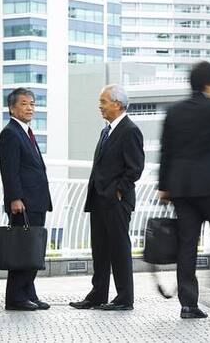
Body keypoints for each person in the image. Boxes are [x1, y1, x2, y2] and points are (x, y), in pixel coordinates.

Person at [157, 61, 210, 319]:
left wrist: (163, 186)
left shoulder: (174, 111)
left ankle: (188, 305)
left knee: (187, 245)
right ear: (209, 83)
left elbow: (165, 150)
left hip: (181, 188)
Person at [70, 85, 144, 311]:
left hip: (116, 201)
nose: (100, 106)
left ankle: (124, 298)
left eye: (103, 101)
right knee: (100, 248)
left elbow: (135, 168)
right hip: (99, 198)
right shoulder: (106, 130)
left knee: (119, 249)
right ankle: (98, 294)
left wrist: (118, 191)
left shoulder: (130, 130)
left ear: (118, 104)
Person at [0, 87, 52, 311]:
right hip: (23, 203)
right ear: (12, 107)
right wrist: (15, 198)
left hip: (36, 200)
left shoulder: (26, 132)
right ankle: (15, 298)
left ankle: (29, 293)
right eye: (24, 104)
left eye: (32, 104)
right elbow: (9, 171)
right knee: (22, 250)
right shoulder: (10, 133)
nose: (29, 108)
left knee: (32, 250)